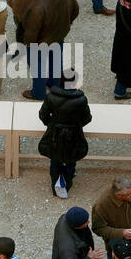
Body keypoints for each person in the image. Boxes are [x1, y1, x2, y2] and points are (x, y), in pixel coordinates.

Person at [22, 0, 79, 100]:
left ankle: (38, 93)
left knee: (38, 67)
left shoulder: (38, 6)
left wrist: (29, 45)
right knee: (55, 61)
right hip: (59, 36)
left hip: (41, 42)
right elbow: (75, 11)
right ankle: (55, 85)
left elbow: (31, 33)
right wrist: (67, 24)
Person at [38, 68, 91, 199]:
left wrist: (51, 124)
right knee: (71, 160)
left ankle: (55, 184)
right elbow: (87, 118)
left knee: (55, 159)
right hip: (73, 135)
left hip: (55, 133)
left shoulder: (51, 97)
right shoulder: (81, 99)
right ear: (75, 83)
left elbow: (43, 115)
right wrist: (76, 126)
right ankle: (67, 182)